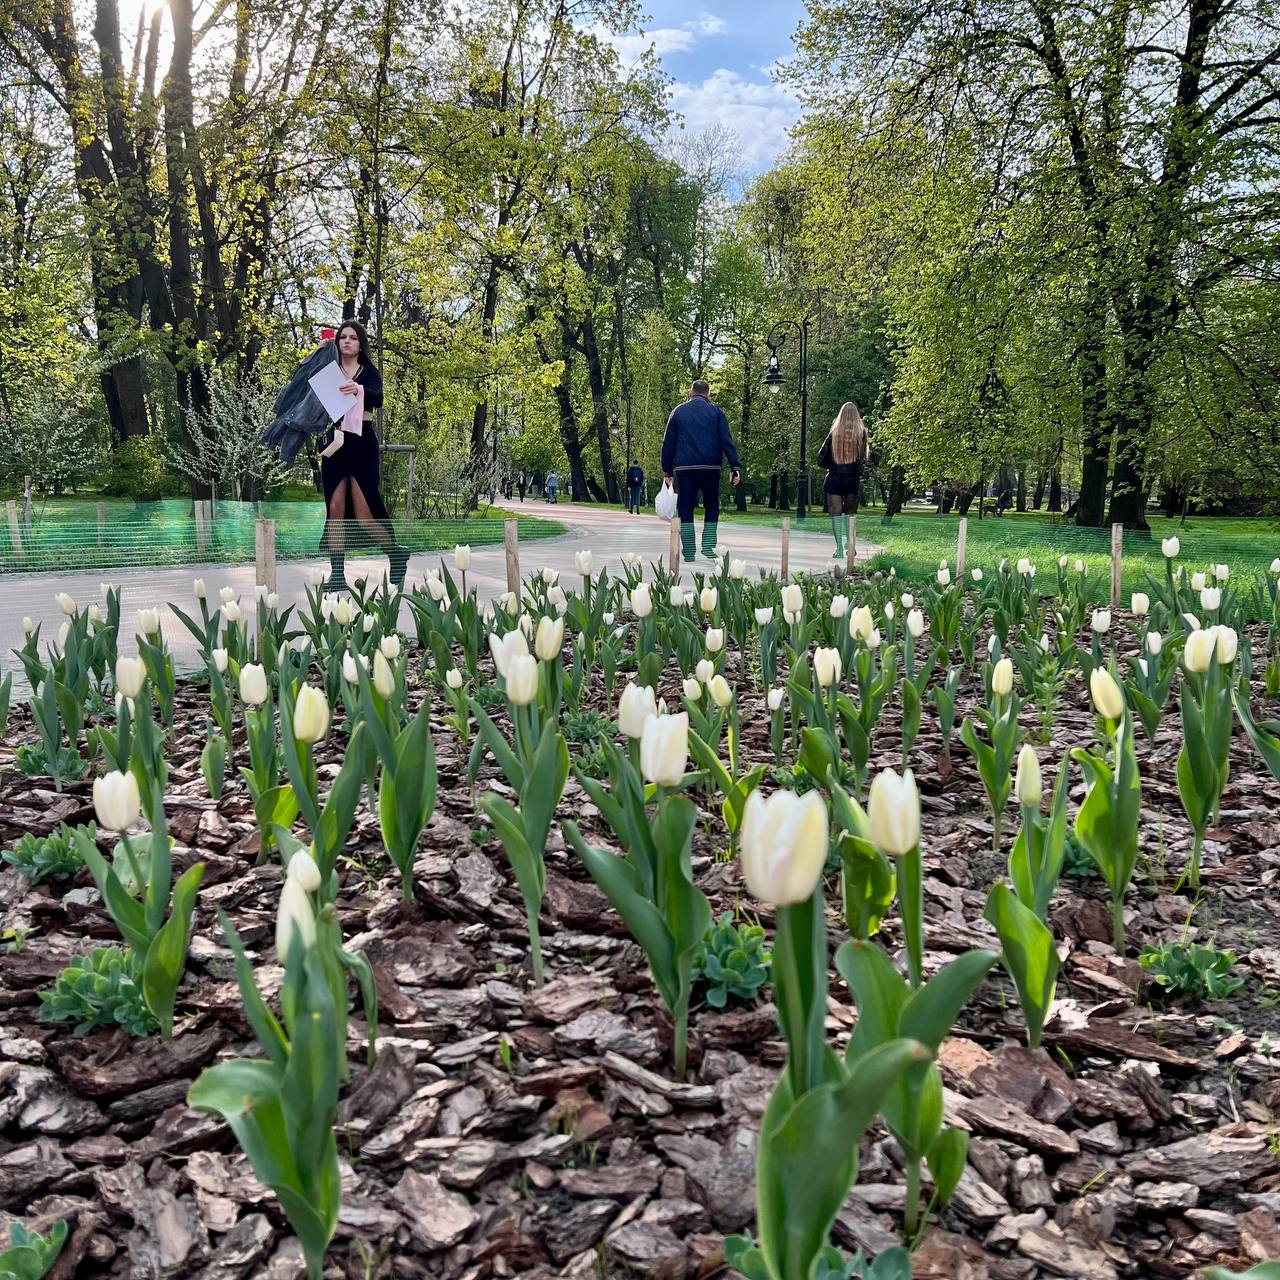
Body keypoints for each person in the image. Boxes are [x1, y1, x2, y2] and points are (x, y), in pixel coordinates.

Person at [318, 320, 408, 591]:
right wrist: (321, 354)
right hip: (335, 442)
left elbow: (378, 398)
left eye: (353, 338)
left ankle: (396, 552)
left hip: (361, 440)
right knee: (334, 508)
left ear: (360, 344)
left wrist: (358, 389)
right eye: (343, 337)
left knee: (363, 509)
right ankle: (336, 575)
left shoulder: (367, 371)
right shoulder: (329, 369)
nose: (347, 341)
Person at [661, 378, 740, 561]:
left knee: (685, 508)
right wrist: (734, 466)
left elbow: (668, 444)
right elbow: (726, 440)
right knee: (712, 506)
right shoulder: (716, 412)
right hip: (710, 467)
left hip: (685, 468)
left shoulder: (678, 412)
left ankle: (688, 551)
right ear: (708, 394)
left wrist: (667, 471)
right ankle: (708, 547)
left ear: (690, 392)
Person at [818, 402, 868, 561]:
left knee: (836, 515)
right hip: (852, 479)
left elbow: (821, 459)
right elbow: (864, 459)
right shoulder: (862, 434)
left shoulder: (834, 433)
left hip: (834, 478)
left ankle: (839, 547)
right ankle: (851, 546)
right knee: (850, 514)